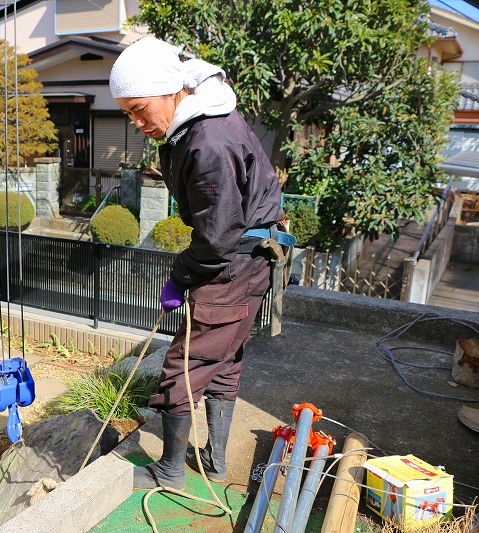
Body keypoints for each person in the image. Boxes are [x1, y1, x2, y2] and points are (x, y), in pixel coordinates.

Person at [109, 37, 290, 490]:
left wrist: (179, 274)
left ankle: (170, 472)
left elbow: (217, 235)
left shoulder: (208, 142)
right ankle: (215, 459)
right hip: (254, 259)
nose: (137, 122)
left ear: (172, 90)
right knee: (224, 358)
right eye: (128, 113)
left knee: (183, 365)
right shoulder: (202, 122)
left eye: (139, 108)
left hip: (233, 261)